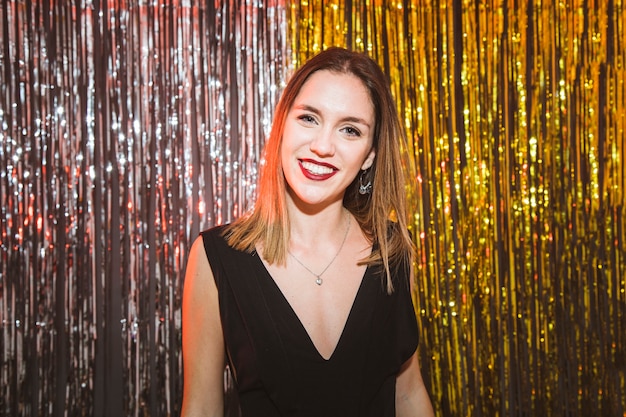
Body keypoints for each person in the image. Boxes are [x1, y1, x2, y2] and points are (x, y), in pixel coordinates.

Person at [181, 47, 434, 417]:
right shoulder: (216, 258)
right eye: (309, 118)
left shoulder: (392, 253)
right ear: (283, 124)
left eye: (350, 130)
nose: (322, 146)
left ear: (369, 155)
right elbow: (201, 408)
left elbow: (409, 394)